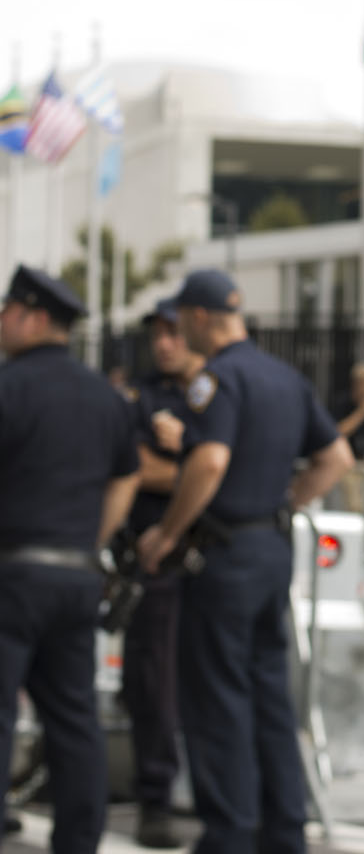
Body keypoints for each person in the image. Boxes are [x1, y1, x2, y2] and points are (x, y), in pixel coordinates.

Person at [136, 269, 353, 854]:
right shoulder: (284, 377)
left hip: (225, 553)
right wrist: (287, 501)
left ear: (201, 317)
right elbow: (337, 456)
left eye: (182, 319)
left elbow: (208, 464)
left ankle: (228, 834)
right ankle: (284, 833)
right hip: (272, 550)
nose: (179, 331)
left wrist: (165, 533)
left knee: (218, 701)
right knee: (270, 698)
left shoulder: (217, 380)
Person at [0, 264, 140, 853]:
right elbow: (126, 479)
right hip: (78, 575)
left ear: (32, 316)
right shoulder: (105, 397)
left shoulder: (9, 387)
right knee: (74, 717)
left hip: (12, 572)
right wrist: (89, 539)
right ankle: (80, 842)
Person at [119, 297, 205, 849]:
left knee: (210, 682)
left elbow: (231, 466)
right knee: (148, 683)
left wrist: (186, 458)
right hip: (153, 562)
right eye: (158, 333)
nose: (165, 342)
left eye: (173, 331)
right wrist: (191, 469)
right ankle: (155, 797)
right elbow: (133, 465)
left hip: (212, 563)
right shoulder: (140, 395)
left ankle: (219, 793)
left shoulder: (218, 389)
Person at [328, 361, 364, 516]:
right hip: (347, 465)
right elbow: (339, 432)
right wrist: (362, 412)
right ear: (357, 384)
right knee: (354, 507)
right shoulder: (342, 404)